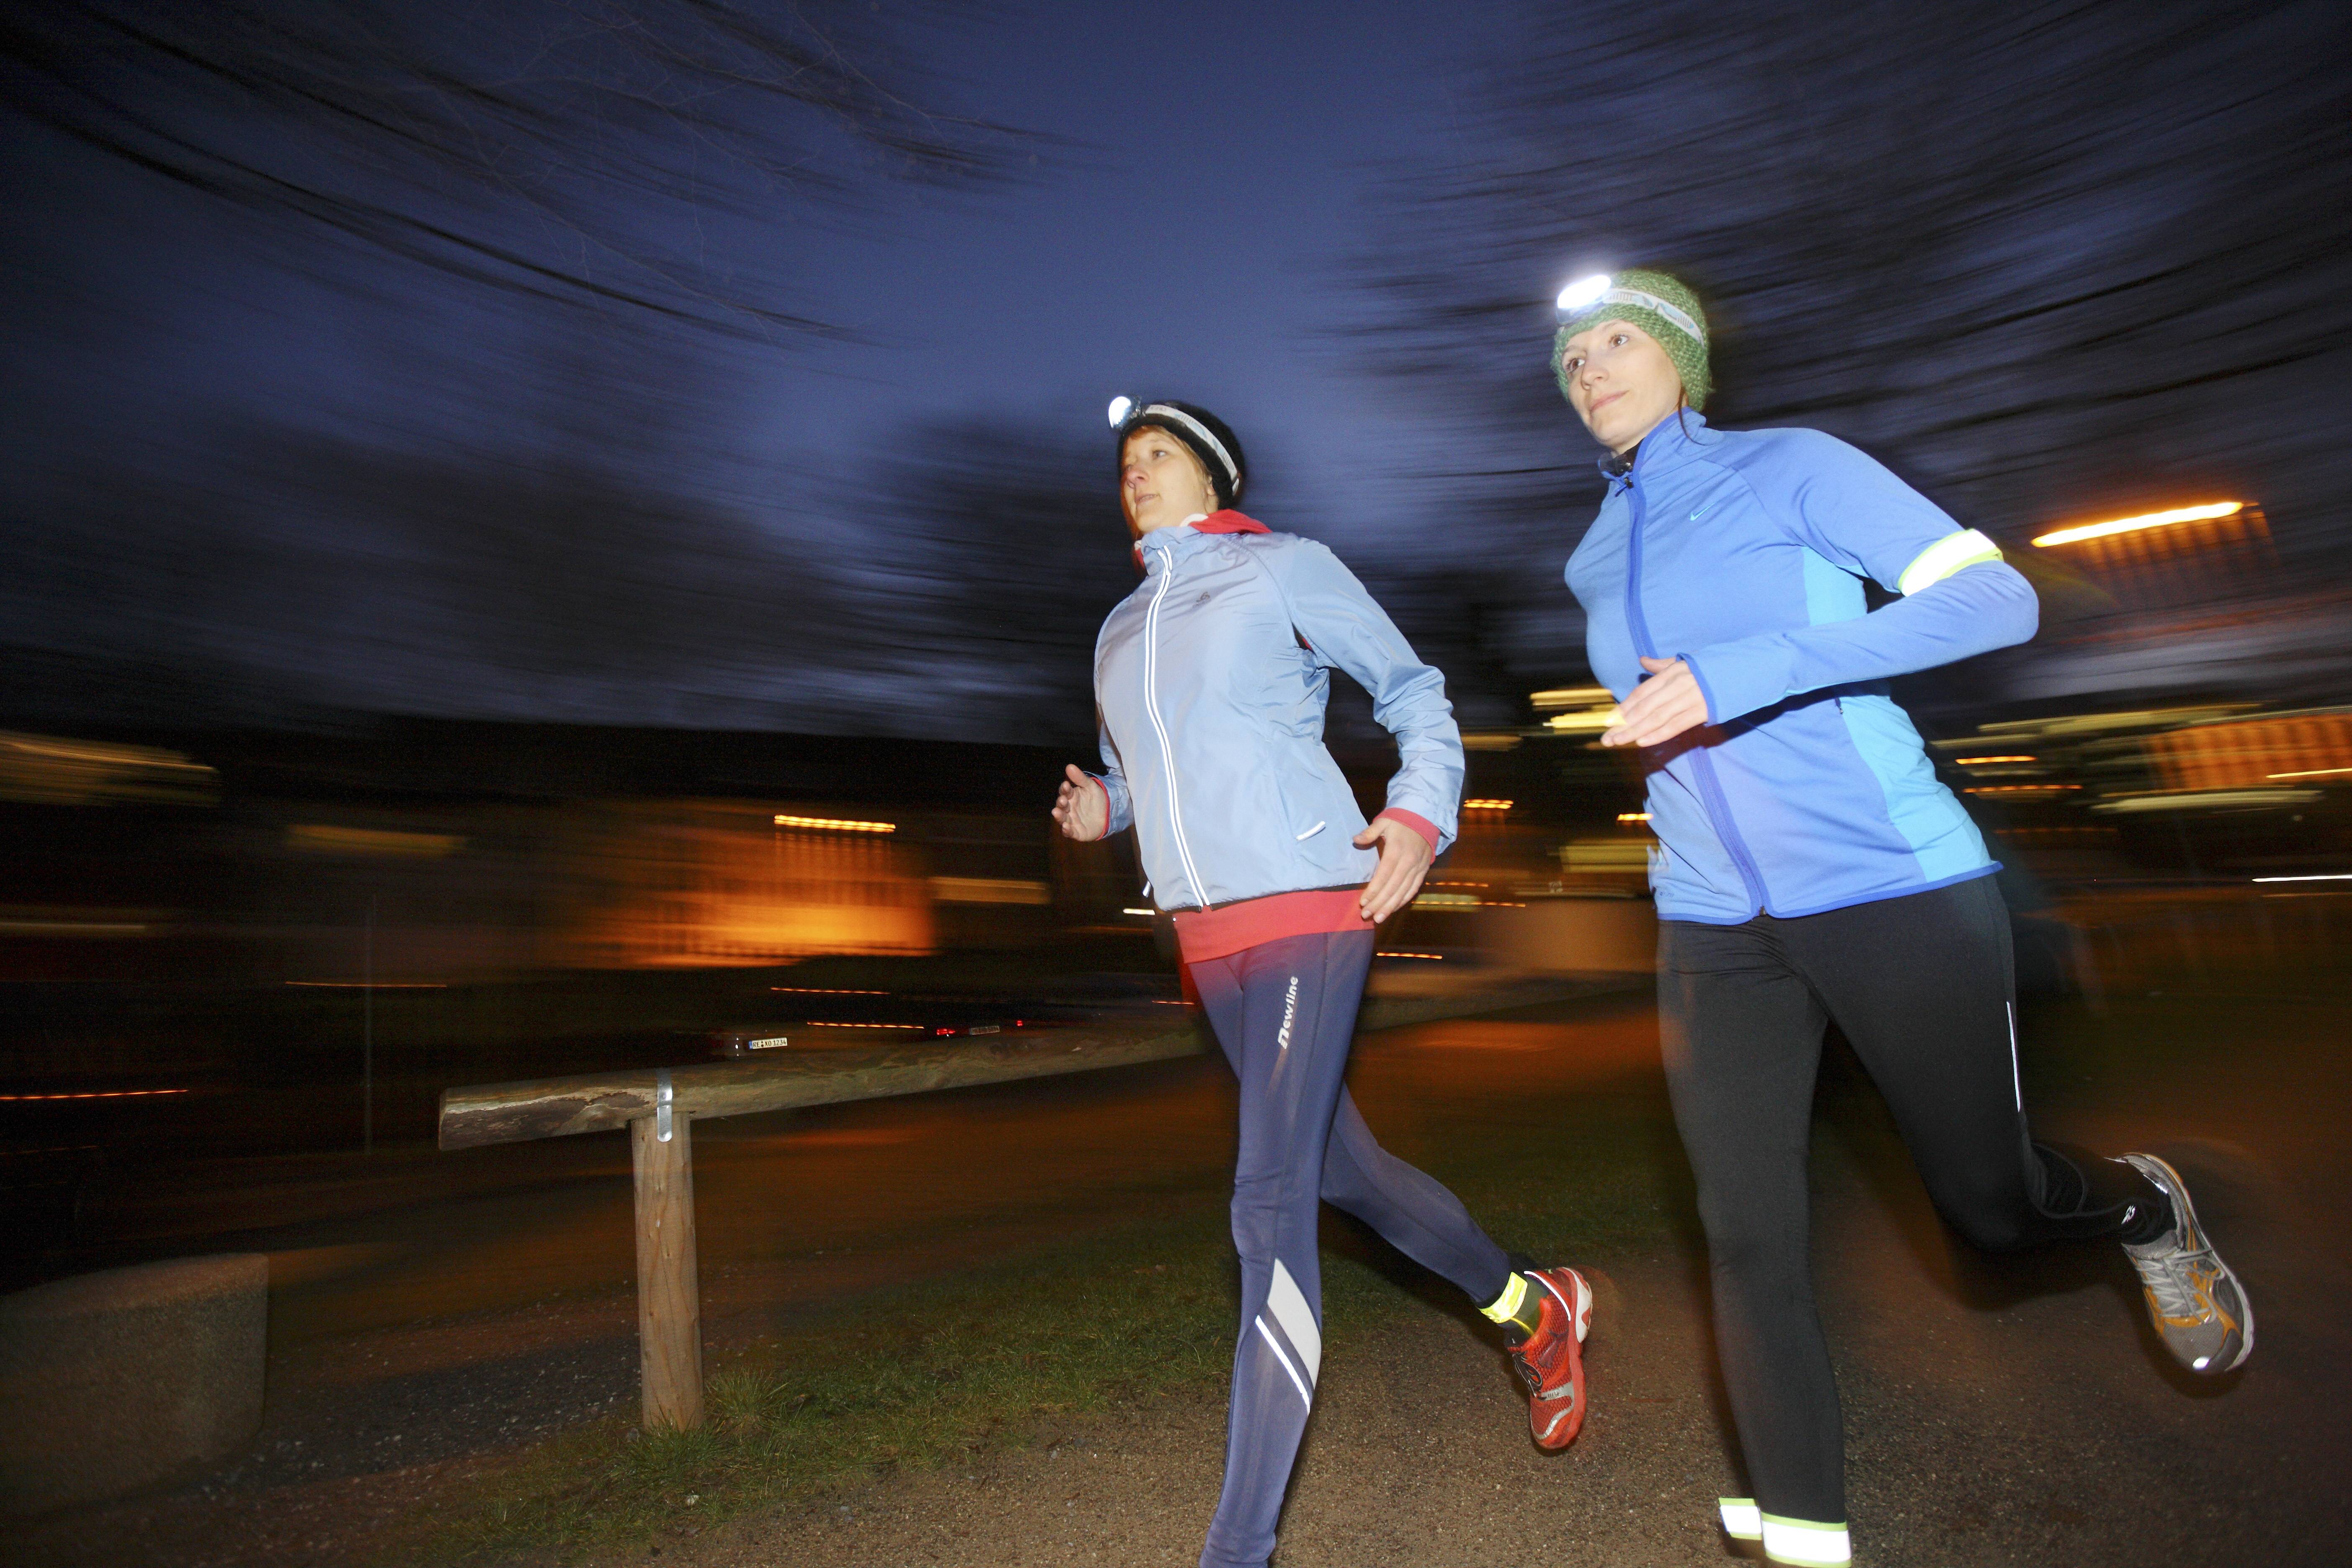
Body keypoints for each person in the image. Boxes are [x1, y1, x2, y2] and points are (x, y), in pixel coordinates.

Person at [1546, 269, 2251, 1567]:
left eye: (1620, 341)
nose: (1591, 368)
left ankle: (2144, 1210)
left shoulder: (1791, 466)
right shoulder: (1592, 551)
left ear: (1686, 362)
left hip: (1892, 884)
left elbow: (1998, 599)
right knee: (1745, 1232)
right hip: (1714, 923)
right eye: (1573, 356)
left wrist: (1743, 674)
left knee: (1992, 1210)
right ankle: (1805, 1530)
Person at [1052, 396, 1593, 1568]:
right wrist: (1109, 808)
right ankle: (1535, 1311)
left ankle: (1237, 1550)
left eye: (1159, 457)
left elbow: (1415, 692)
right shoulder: (1115, 628)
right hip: (1204, 941)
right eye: (1126, 464)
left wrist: (1418, 814)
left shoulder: (1284, 570)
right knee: (1345, 1171)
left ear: (1213, 478)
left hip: (1311, 903)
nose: (1136, 475)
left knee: (1265, 1205)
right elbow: (1144, 770)